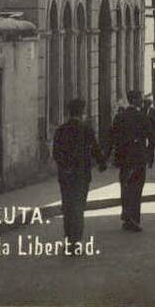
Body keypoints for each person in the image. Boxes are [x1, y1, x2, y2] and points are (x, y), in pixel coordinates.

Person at [53, 98, 106, 249]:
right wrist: (102, 163)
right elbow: (95, 149)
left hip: (65, 175)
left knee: (67, 205)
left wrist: (65, 167)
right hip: (82, 175)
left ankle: (69, 237)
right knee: (79, 206)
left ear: (69, 112)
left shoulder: (61, 130)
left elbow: (56, 153)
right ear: (82, 112)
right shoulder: (86, 129)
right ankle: (76, 239)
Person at [108, 90, 153, 232]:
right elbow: (150, 136)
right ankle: (133, 218)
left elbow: (112, 137)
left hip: (123, 158)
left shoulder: (120, 117)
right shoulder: (142, 117)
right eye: (140, 98)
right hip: (138, 157)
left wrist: (107, 157)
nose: (141, 100)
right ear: (135, 100)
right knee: (137, 188)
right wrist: (150, 156)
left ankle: (126, 216)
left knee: (125, 187)